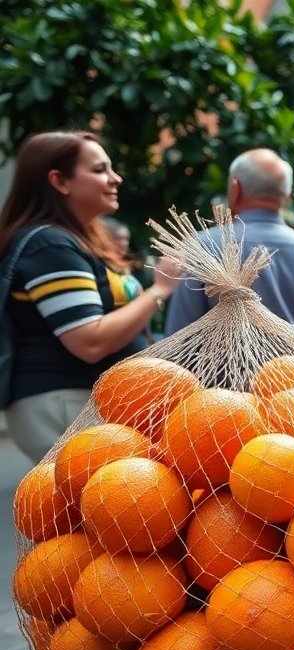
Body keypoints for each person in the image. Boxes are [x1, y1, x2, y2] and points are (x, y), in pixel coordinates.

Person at [0, 131, 181, 462]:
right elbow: (88, 341)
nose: (115, 178)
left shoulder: (72, 241)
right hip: (65, 402)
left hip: (83, 402)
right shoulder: (50, 246)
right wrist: (160, 289)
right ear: (60, 181)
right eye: (99, 170)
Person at [166, 149, 294, 341]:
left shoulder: (203, 247)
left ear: (235, 188)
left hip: (222, 371)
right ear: (287, 196)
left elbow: (179, 335)